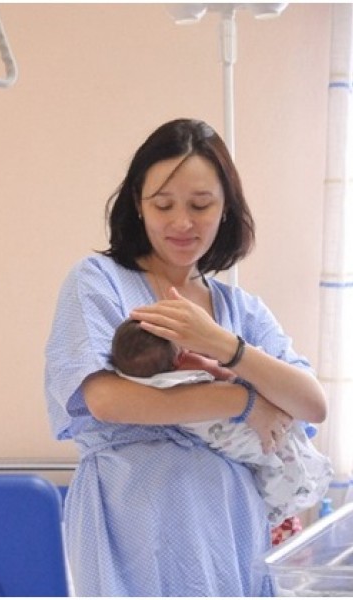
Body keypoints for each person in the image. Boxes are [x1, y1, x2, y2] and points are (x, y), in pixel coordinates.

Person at [44, 118, 328, 596]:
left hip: (229, 524)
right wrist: (241, 402)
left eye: (200, 205)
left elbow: (312, 404)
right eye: (163, 205)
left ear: (226, 209)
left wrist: (224, 345)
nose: (182, 222)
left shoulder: (242, 310)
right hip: (132, 519)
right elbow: (107, 400)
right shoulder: (98, 281)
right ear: (138, 205)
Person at [111, 319, 333, 526]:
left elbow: (313, 404)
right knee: (280, 455)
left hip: (198, 495)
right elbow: (229, 373)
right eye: (187, 349)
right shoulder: (191, 369)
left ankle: (280, 508)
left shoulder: (141, 382)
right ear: (180, 357)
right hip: (249, 439)